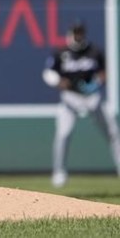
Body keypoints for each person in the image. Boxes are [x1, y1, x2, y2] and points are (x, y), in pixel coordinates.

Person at [43, 21, 120, 188]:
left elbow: (104, 71)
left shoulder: (94, 51)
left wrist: (97, 81)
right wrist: (59, 81)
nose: (78, 35)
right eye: (76, 32)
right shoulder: (62, 52)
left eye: (81, 32)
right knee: (63, 134)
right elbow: (49, 73)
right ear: (71, 33)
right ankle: (59, 172)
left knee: (114, 132)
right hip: (70, 98)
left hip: (92, 97)